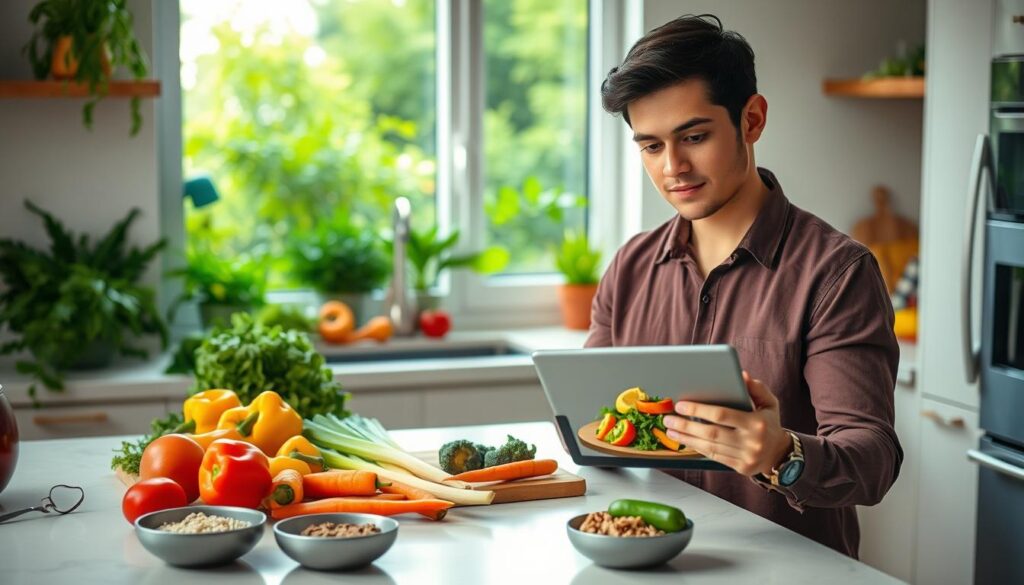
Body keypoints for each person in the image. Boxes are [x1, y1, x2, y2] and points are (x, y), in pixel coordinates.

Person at [586, 14, 902, 558]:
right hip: (648, 560)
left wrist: (783, 453)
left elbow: (872, 459)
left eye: (694, 136)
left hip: (787, 570)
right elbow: (593, 422)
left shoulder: (836, 273)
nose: (673, 168)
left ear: (751, 120)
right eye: (651, 147)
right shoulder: (630, 266)